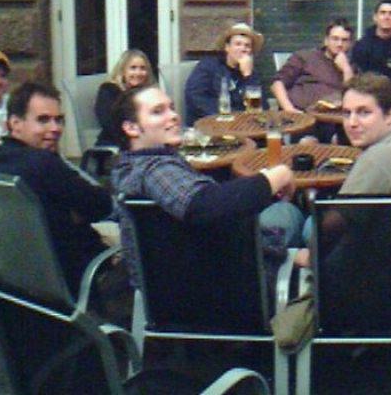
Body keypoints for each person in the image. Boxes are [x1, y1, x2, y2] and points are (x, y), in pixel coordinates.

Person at [111, 85, 303, 288]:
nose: (174, 116)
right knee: (288, 212)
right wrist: (277, 176)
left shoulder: (129, 168)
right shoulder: (154, 171)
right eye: (158, 111)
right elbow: (205, 205)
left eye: (171, 108)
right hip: (223, 281)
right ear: (131, 128)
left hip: (173, 281)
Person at [294, 73, 391, 329]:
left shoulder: (378, 159)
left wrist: (308, 257)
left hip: (374, 298)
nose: (352, 123)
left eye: (364, 112)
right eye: (347, 113)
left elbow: (326, 230)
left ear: (390, 114)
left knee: (291, 242)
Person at [0, 82, 115, 294]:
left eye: (58, 119)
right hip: (77, 276)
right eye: (43, 120)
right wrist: (73, 213)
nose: (55, 128)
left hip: (18, 281)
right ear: (15, 123)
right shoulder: (43, 164)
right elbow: (102, 205)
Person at [185, 22, 266, 126]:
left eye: (247, 46)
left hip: (242, 126)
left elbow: (262, 107)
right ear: (227, 47)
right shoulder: (208, 66)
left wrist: (248, 76)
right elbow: (195, 97)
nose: (243, 49)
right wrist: (231, 116)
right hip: (211, 124)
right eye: (238, 44)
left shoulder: (250, 72)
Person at [271, 18, 354, 112]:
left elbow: (352, 99)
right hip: (298, 113)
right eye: (335, 39)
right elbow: (276, 83)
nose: (339, 44)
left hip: (329, 117)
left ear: (350, 44)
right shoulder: (306, 57)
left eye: (344, 40)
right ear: (326, 40)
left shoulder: (351, 68)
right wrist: (289, 109)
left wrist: (346, 70)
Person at [351, 0, 391, 98]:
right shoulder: (361, 46)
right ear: (375, 17)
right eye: (382, 13)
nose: (387, 17)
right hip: (366, 97)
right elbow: (358, 78)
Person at [95, 49, 156, 146]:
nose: (138, 73)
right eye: (133, 68)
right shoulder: (108, 90)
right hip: (114, 143)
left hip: (144, 141)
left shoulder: (149, 93)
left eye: (143, 68)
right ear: (123, 71)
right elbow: (109, 124)